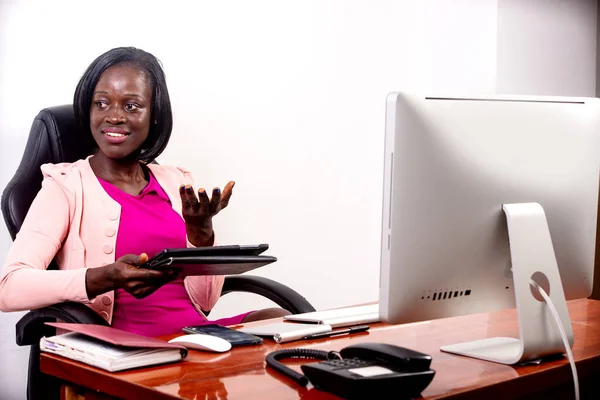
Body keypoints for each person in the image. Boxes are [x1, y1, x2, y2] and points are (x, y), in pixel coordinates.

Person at [0, 47, 289, 337]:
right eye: (101, 103)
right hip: (128, 347)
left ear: (154, 115)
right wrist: (103, 277)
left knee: (286, 321)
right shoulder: (65, 185)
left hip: (199, 337)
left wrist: (200, 234)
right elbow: (9, 287)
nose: (113, 116)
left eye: (131, 106)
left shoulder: (176, 182)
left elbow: (205, 302)